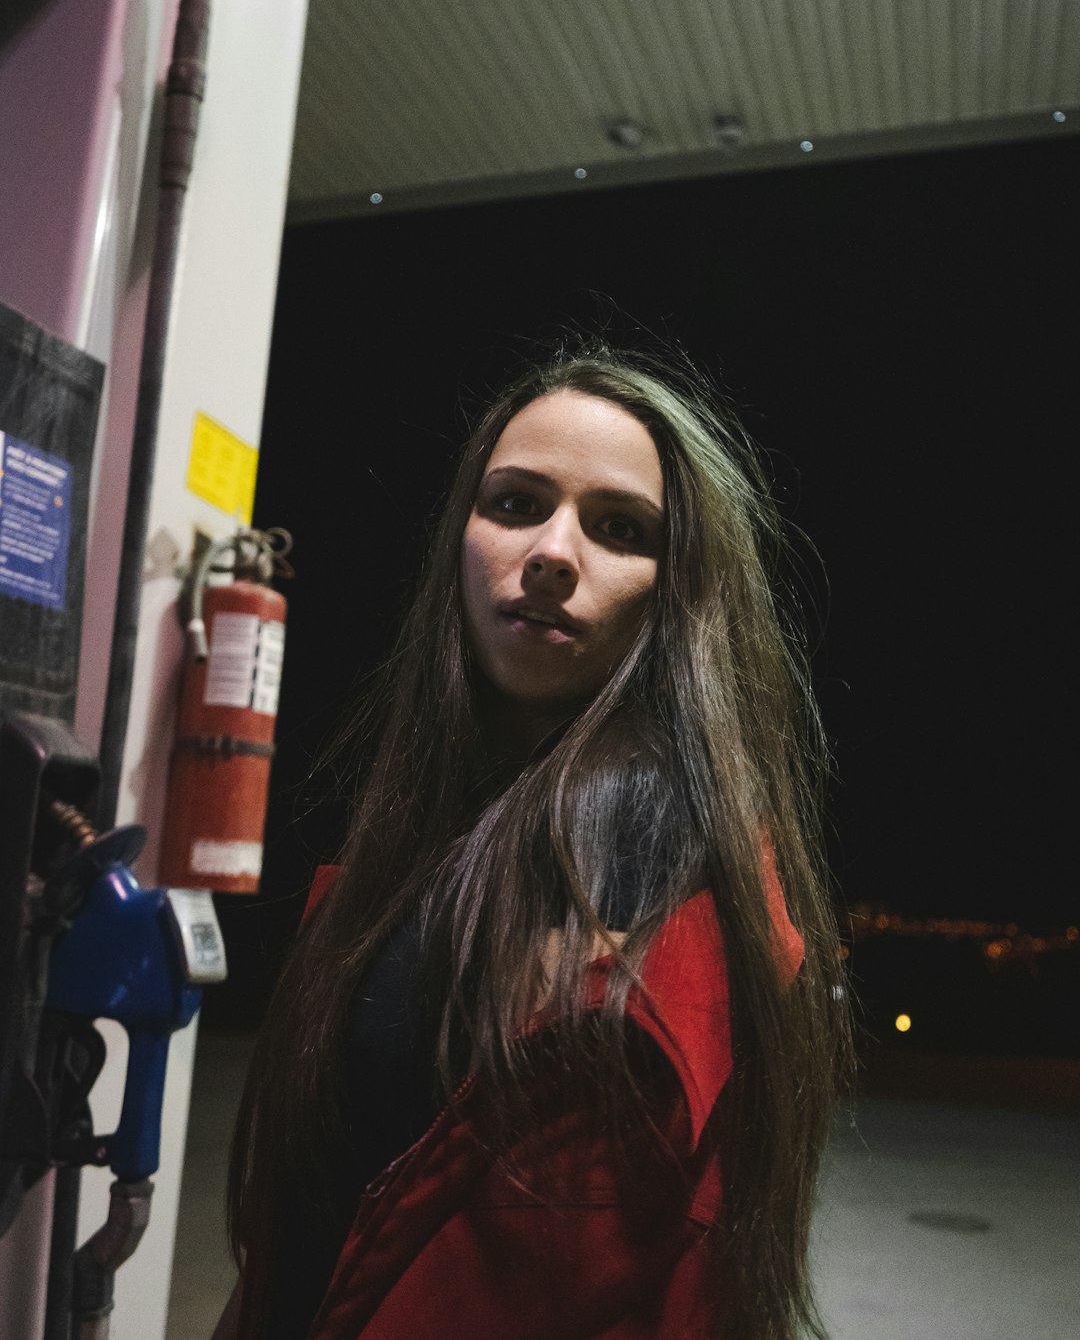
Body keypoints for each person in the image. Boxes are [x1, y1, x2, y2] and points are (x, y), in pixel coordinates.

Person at [214, 344, 853, 1340]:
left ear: (677, 587)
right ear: (458, 540)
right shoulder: (410, 846)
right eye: (516, 504)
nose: (554, 551)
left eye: (619, 528)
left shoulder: (674, 892)